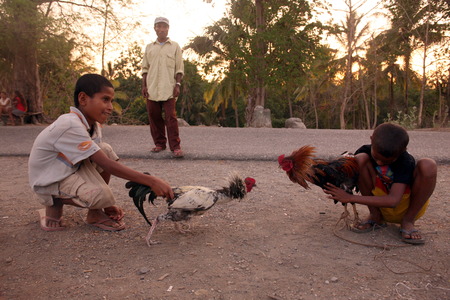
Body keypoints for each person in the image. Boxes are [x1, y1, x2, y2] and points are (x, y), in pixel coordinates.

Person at [29, 74, 174, 232]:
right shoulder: (70, 124)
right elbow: (106, 164)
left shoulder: (93, 125)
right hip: (48, 180)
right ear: (83, 99)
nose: (110, 106)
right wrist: (151, 181)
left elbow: (101, 158)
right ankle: (53, 204)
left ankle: (95, 213)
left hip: (66, 169)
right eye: (105, 99)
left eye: (111, 101)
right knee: (102, 196)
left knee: (105, 150)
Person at [324, 122, 437, 244]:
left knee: (428, 165)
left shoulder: (405, 161)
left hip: (405, 205)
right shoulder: (364, 151)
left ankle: (408, 221)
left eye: (387, 161)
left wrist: (350, 197)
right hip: (379, 204)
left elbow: (393, 201)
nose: (379, 163)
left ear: (404, 150)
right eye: (376, 158)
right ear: (371, 139)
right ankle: (375, 216)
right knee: (359, 159)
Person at [141, 16, 185, 158]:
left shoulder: (175, 46)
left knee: (171, 117)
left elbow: (179, 68)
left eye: (164, 26)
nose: (161, 29)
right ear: (155, 28)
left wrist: (177, 85)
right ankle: (160, 143)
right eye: (159, 26)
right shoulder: (149, 47)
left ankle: (175, 146)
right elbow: (145, 69)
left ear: (168, 29)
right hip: (152, 88)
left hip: (169, 88)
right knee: (154, 116)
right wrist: (144, 86)